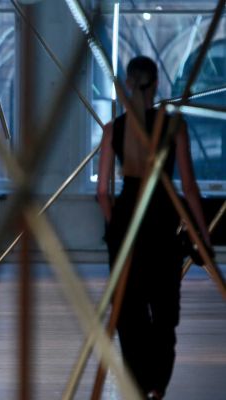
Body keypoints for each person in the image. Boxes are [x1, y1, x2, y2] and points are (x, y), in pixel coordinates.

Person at [97, 56, 210, 399]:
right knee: (164, 310)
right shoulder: (173, 126)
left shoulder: (113, 129)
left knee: (128, 312)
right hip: (162, 218)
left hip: (126, 219)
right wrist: (203, 235)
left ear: (129, 84)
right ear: (157, 83)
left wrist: (116, 225)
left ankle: (136, 383)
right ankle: (157, 387)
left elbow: (102, 193)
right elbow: (189, 188)